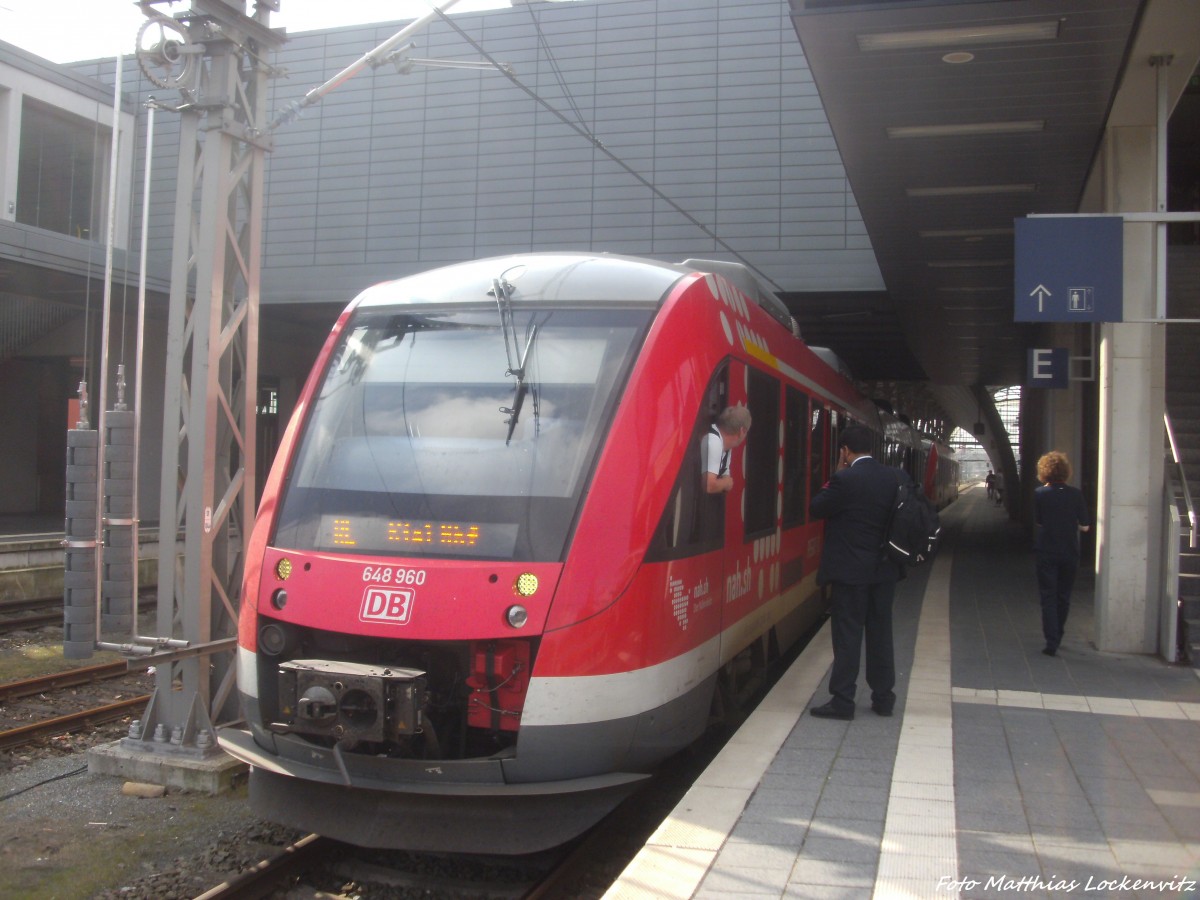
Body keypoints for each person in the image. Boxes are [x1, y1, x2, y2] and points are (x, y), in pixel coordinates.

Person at [808, 424, 908, 720]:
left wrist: (835, 473)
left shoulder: (844, 479)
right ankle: (883, 698)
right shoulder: (894, 477)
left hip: (850, 573)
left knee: (848, 635)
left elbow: (817, 507)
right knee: (881, 633)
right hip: (884, 570)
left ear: (845, 451)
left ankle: (843, 700)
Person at [1033, 451, 1091, 656]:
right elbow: (1085, 526)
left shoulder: (1040, 493)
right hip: (1069, 551)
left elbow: (1039, 521)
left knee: (1048, 596)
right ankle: (1059, 633)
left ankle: (1051, 641)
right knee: (1063, 596)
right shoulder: (1076, 494)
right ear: (1066, 471)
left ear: (1044, 472)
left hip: (1046, 551)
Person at [702, 405, 751, 494]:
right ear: (742, 431)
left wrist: (724, 481)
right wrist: (726, 483)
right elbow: (708, 485)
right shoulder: (714, 441)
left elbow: (725, 474)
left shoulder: (727, 446)